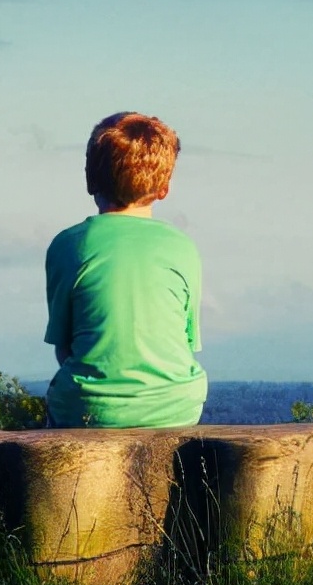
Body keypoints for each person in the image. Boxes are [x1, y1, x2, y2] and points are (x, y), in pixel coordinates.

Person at [44, 111, 208, 427]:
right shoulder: (182, 247)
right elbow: (187, 344)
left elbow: (65, 348)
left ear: (90, 179)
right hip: (176, 406)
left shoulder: (69, 244)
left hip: (91, 409)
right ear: (164, 188)